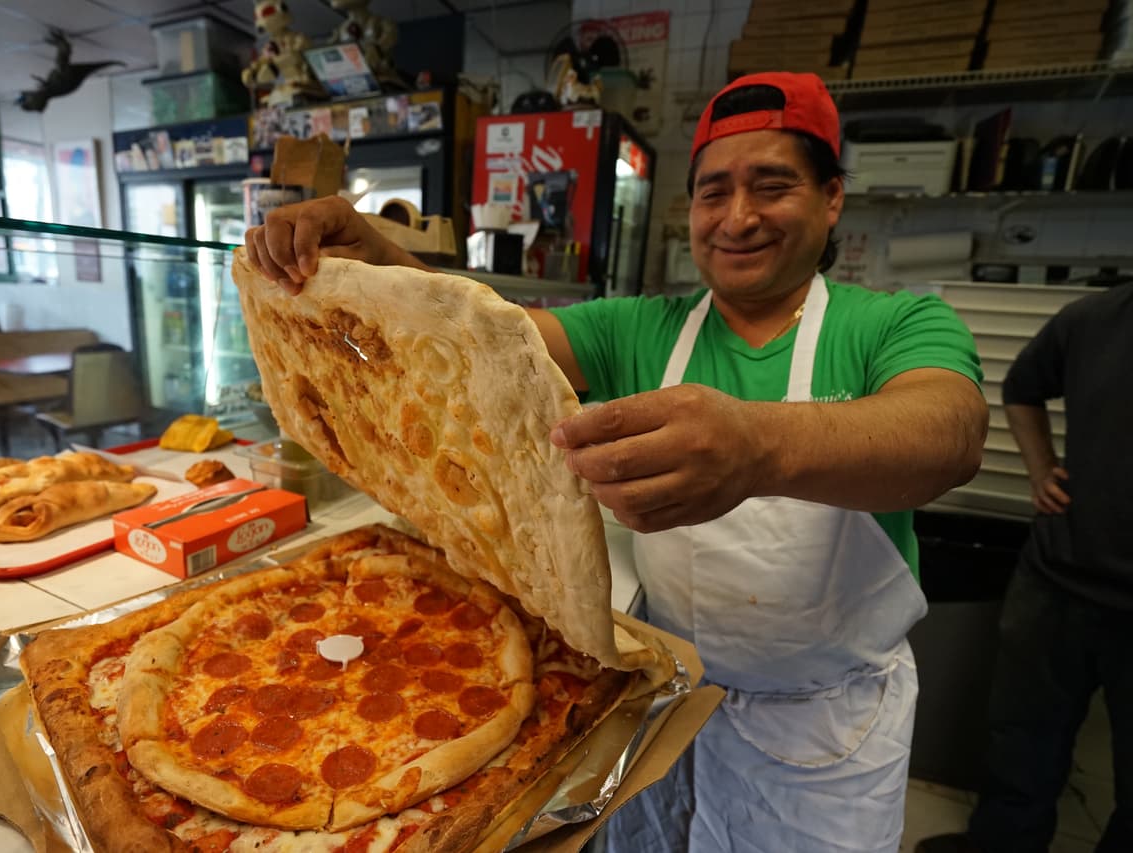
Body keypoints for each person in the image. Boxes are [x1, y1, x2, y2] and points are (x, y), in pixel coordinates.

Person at [245, 71, 988, 852]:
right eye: (713, 192)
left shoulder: (894, 322)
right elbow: (482, 340)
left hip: (818, 732)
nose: (737, 217)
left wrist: (759, 447)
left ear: (831, 197)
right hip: (660, 694)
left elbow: (949, 430)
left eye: (772, 186)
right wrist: (376, 258)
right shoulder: (640, 327)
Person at [918, 281, 1133, 853]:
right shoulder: (1098, 317)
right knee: (1020, 749)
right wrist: (1042, 468)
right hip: (1059, 579)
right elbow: (1022, 388)